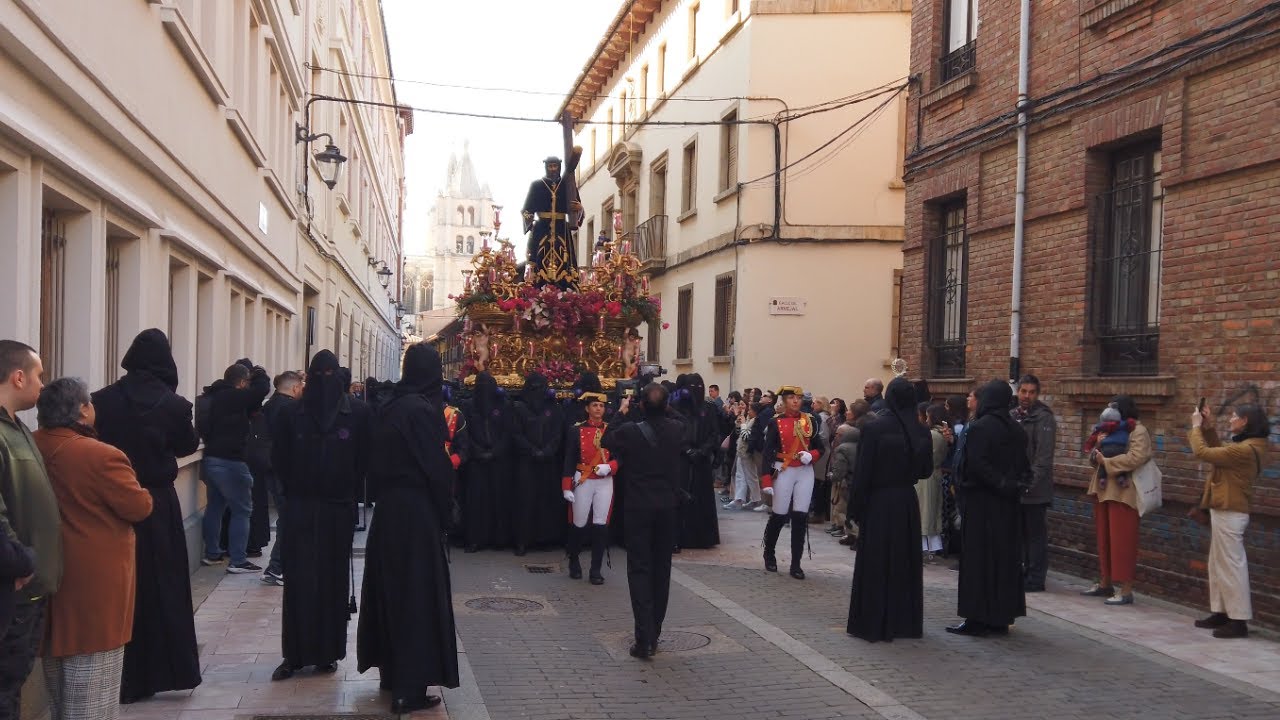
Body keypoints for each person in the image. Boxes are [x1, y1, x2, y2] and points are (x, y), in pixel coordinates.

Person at [90, 330, 202, 703]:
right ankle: (161, 670)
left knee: (120, 589)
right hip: (156, 501)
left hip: (112, 501)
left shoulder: (101, 401)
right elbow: (187, 444)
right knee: (163, 585)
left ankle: (124, 676)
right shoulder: (173, 405)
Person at [34, 378, 154, 720]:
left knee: (57, 681)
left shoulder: (29, 445)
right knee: (93, 689)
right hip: (96, 583)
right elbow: (139, 506)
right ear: (83, 409)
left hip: (45, 575)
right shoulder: (101, 455)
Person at [357, 345, 459, 714]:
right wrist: (447, 513)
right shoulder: (423, 411)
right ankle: (410, 687)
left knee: (389, 589)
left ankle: (389, 672)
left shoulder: (388, 407)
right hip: (417, 514)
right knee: (416, 596)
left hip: (388, 513)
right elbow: (436, 468)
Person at [270, 351, 371, 681]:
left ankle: (328, 652)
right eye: (319, 375)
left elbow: (363, 463)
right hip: (301, 507)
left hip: (337, 510)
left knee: (331, 581)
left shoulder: (357, 412)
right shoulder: (291, 414)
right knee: (298, 582)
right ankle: (294, 654)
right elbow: (280, 460)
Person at [602, 383, 689, 659]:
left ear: (640, 406)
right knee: (661, 570)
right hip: (667, 507)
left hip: (638, 507)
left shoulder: (629, 431)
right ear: (666, 406)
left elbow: (606, 439)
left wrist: (622, 411)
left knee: (639, 570)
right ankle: (656, 631)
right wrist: (661, 405)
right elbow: (684, 423)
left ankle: (644, 638)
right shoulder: (676, 429)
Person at [0, 340, 62, 718]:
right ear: (18, 376)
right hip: (13, 588)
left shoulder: (17, 426)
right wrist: (21, 562)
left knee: (13, 685)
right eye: (38, 375)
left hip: (29, 586)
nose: (43, 384)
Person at [846, 377, 932, 642]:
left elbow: (863, 472)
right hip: (906, 501)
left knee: (876, 561)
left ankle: (873, 621)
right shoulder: (921, 431)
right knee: (903, 562)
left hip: (879, 501)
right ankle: (903, 621)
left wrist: (855, 508)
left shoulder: (874, 428)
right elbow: (925, 471)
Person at [948, 380, 1029, 637]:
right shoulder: (1016, 429)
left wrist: (998, 483)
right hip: (1007, 504)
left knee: (979, 560)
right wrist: (1014, 485)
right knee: (1004, 559)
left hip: (982, 502)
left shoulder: (980, 427)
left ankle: (977, 617)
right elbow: (1024, 465)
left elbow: (977, 465)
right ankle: (1000, 616)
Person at [1188, 403, 1268, 639]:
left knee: (1232, 567)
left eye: (1234, 417)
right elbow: (1219, 451)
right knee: (1218, 565)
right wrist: (1208, 426)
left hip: (1231, 511)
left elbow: (1204, 453)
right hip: (1225, 509)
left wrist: (1195, 427)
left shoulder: (1245, 450)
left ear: (1245, 421)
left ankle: (1238, 620)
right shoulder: (1248, 446)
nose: (1231, 420)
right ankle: (1221, 612)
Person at [198, 360, 270, 572]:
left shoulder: (212, 396)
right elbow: (262, 390)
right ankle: (238, 559)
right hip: (231, 461)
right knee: (243, 509)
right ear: (241, 382)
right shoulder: (234, 396)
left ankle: (212, 553)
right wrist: (259, 373)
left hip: (211, 457)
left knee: (215, 506)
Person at [1083, 395, 1151, 606]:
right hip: (1103, 490)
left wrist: (1108, 461)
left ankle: (1126, 589)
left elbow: (1137, 457)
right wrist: (1097, 449)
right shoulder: (1106, 429)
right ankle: (1106, 582)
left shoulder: (1137, 431)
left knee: (1123, 541)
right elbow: (1092, 456)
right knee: (1104, 539)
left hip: (1124, 493)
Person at [759, 386, 827, 580]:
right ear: (784, 401)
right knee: (779, 515)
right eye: (791, 398)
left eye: (797, 397)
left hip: (805, 471)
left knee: (800, 517)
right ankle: (769, 552)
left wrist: (811, 455)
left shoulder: (810, 420)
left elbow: (820, 447)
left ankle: (796, 563)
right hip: (784, 469)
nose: (796, 401)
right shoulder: (775, 422)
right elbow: (767, 452)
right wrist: (766, 478)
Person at [562, 392, 618, 584]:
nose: (598, 409)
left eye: (601, 406)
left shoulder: (611, 430)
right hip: (583, 479)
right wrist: (566, 486)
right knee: (578, 523)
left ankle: (596, 569)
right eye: (594, 405)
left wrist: (610, 467)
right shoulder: (575, 430)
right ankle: (574, 559)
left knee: (601, 524)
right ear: (587, 409)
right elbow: (569, 458)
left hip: (604, 480)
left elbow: (621, 456)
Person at [510, 372, 564, 555]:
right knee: (525, 501)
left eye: (541, 388)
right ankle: (522, 540)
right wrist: (531, 450)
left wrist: (548, 450)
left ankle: (545, 538)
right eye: (534, 388)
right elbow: (516, 434)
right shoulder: (519, 408)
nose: (538, 392)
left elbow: (558, 433)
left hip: (548, 461)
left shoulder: (553, 408)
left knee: (546, 499)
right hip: (527, 461)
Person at [259, 371, 303, 586]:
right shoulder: (288, 409)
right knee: (288, 519)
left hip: (270, 468)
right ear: (294, 388)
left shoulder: (269, 405)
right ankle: (276, 567)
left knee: (285, 518)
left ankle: (278, 566)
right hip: (281, 471)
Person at [1013, 375, 1056, 593]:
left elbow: (1043, 457)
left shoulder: (1044, 418)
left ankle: (1036, 578)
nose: (1027, 396)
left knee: (1035, 535)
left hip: (1035, 489)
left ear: (1037, 394)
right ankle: (1022, 571)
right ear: (1018, 391)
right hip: (1015, 486)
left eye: (1031, 392)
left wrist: (1030, 482)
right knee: (1019, 533)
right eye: (1024, 391)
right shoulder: (1012, 416)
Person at [462, 372, 511, 553]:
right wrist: (477, 451)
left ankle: (498, 537)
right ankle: (475, 538)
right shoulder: (468, 406)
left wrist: (496, 451)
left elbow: (507, 432)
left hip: (498, 460)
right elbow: (464, 433)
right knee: (476, 501)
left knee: (497, 499)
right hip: (476, 460)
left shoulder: (503, 406)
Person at [521, 151, 584, 288]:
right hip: (541, 228)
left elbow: (577, 206)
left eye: (555, 166)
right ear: (546, 167)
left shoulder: (568, 185)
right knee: (537, 258)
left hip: (562, 229)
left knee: (566, 260)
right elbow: (526, 209)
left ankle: (567, 287)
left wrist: (579, 208)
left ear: (559, 167)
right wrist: (529, 218)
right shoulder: (537, 185)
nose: (553, 169)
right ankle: (535, 286)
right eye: (550, 166)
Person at [674, 373, 720, 550]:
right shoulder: (676, 408)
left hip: (701, 460)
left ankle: (702, 537)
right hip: (682, 459)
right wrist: (686, 449)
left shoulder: (708, 409)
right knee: (681, 496)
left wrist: (703, 451)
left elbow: (714, 434)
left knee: (701, 498)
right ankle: (679, 536)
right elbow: (673, 432)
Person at [918, 404, 950, 558]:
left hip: (926, 476)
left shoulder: (931, 435)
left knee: (925, 511)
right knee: (933, 511)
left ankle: (924, 547)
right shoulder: (942, 434)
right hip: (935, 474)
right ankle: (934, 545)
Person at [725, 402, 763, 510]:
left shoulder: (755, 421)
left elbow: (746, 436)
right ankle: (739, 499)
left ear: (755, 412)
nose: (748, 411)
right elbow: (739, 433)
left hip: (747, 452)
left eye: (750, 410)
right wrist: (738, 424)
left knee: (751, 476)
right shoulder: (749, 419)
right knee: (740, 475)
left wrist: (742, 425)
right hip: (741, 451)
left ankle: (756, 499)